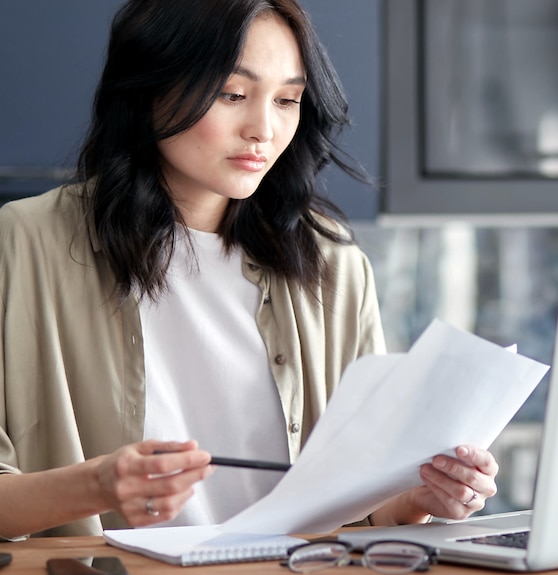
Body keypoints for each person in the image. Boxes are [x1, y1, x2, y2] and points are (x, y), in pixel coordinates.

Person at [0, 0, 498, 540]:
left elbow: (366, 505)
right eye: (232, 94)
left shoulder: (334, 267)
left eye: (287, 100)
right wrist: (97, 484)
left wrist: (419, 495)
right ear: (148, 90)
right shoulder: (24, 244)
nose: (263, 129)